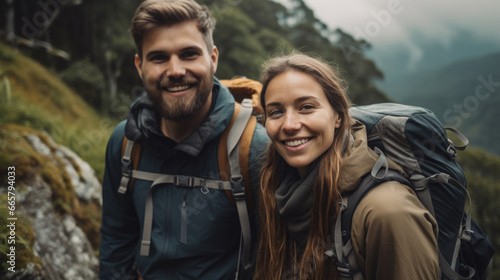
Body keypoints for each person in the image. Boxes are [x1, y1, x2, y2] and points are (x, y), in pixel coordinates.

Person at [98, 0, 269, 279]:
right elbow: (116, 245)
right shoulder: (126, 143)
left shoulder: (254, 149)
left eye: (189, 54)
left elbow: (283, 259)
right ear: (140, 66)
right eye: (159, 57)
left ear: (213, 59)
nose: (175, 70)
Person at [254, 53, 440, 280]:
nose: (290, 124)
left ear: (338, 117)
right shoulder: (278, 191)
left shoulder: (387, 211)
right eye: (276, 112)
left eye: (307, 107)